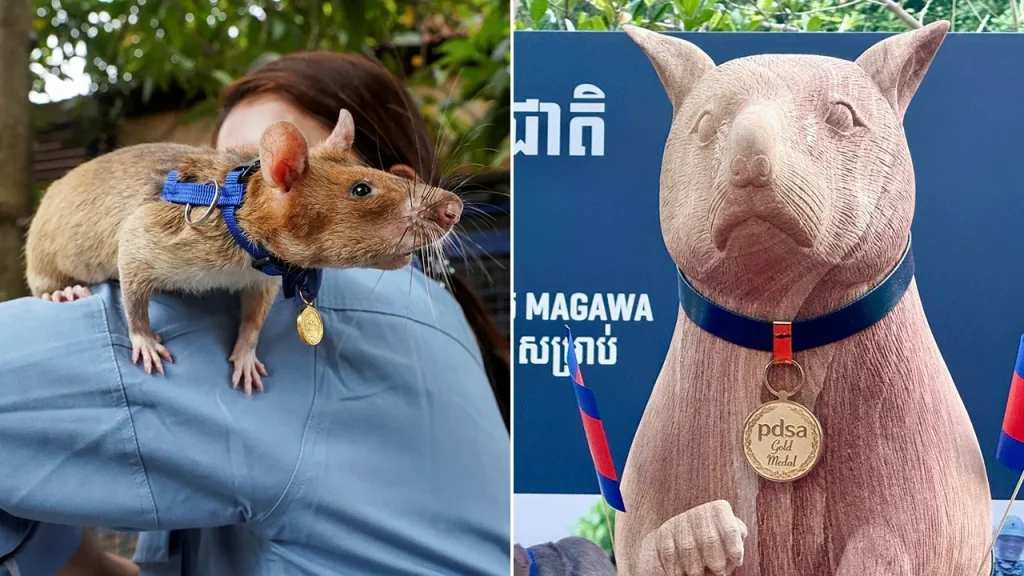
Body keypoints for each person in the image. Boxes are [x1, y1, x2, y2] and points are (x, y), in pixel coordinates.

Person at [0, 51, 510, 576]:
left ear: (387, 178)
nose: (236, 190)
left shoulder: (311, 299)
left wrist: (49, 550)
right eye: (231, 165)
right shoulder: (446, 320)